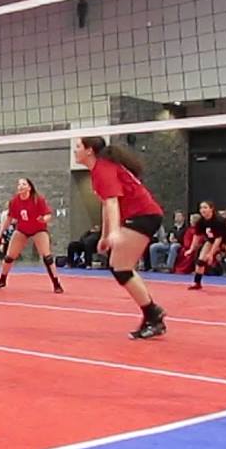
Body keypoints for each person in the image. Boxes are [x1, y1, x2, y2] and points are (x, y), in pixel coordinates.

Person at [73, 137, 166, 339]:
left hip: (143, 215)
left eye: (78, 146)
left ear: (89, 150)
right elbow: (106, 205)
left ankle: (154, 315)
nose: (75, 150)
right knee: (120, 267)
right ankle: (152, 313)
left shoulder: (103, 168)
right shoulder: (99, 170)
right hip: (141, 216)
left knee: (121, 268)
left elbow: (113, 202)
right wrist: (105, 235)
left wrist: (115, 231)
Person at [0, 178, 63, 293]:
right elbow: (9, 218)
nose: (20, 186)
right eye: (19, 184)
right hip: (22, 230)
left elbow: (48, 214)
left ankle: (56, 283)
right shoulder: (15, 201)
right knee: (9, 256)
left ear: (29, 187)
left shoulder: (38, 199)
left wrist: (44, 219)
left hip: (38, 229)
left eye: (24, 184)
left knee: (47, 257)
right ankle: (2, 279)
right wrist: (0, 233)